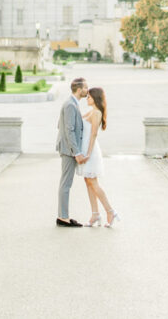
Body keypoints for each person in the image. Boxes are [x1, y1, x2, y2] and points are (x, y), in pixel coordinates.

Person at [77, 87, 120, 227]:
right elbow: (79, 118)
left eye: (89, 96)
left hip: (91, 150)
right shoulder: (92, 111)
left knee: (93, 182)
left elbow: (93, 134)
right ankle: (95, 214)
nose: (87, 99)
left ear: (95, 98)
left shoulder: (96, 113)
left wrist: (88, 153)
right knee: (87, 181)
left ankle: (110, 211)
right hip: (85, 148)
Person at [56, 77, 88, 227]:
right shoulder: (70, 105)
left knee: (66, 183)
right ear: (79, 89)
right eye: (86, 88)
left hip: (69, 149)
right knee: (66, 184)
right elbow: (69, 130)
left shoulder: (72, 104)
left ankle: (64, 215)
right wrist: (76, 152)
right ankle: (63, 217)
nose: (87, 91)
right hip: (69, 151)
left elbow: (60, 125)